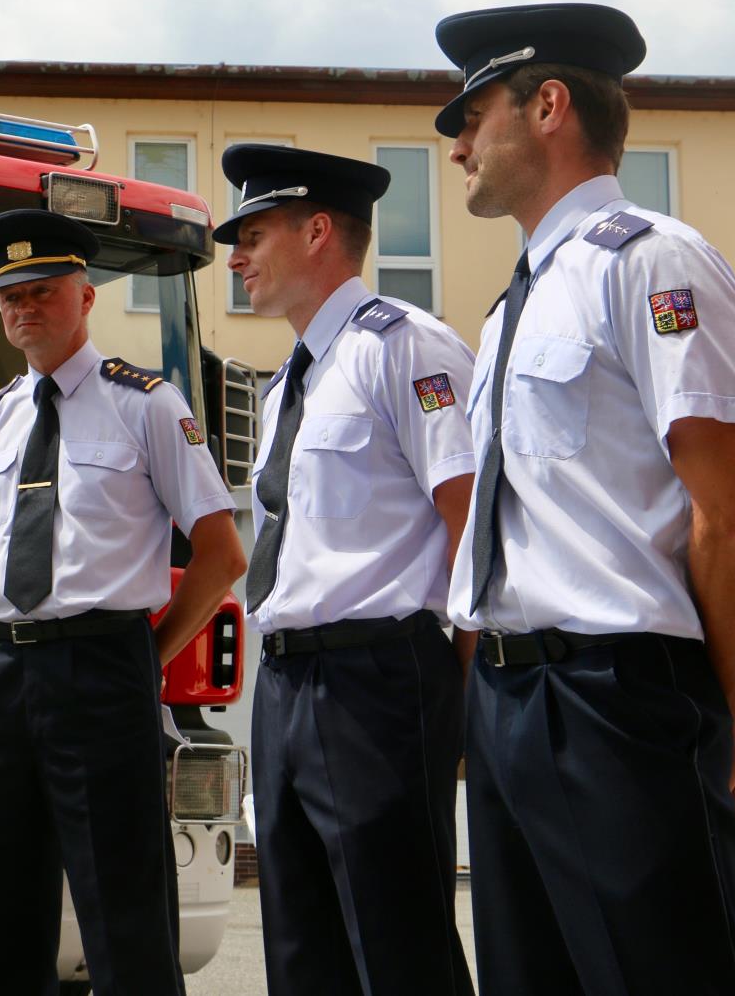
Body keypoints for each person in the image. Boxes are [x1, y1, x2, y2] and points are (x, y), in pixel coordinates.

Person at [435, 2, 735, 996]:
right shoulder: (513, 307)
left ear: (547, 105)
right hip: (505, 702)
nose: (458, 145)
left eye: (471, 114)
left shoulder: (653, 263)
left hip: (617, 699)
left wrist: (724, 716)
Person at [0, 209, 246, 996]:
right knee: (1, 911)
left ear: (86, 296)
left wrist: (145, 656)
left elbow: (220, 557)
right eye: (9, 298)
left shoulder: (145, 405)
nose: (23, 310)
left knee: (124, 914)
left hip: (101, 667)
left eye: (42, 291)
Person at [219, 145, 476, 996]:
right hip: (286, 685)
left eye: (252, 234)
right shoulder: (285, 382)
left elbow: (469, 518)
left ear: (317, 230)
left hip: (377, 678)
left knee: (396, 944)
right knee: (301, 948)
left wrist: (470, 694)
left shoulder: (406, 349)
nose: (235, 257)